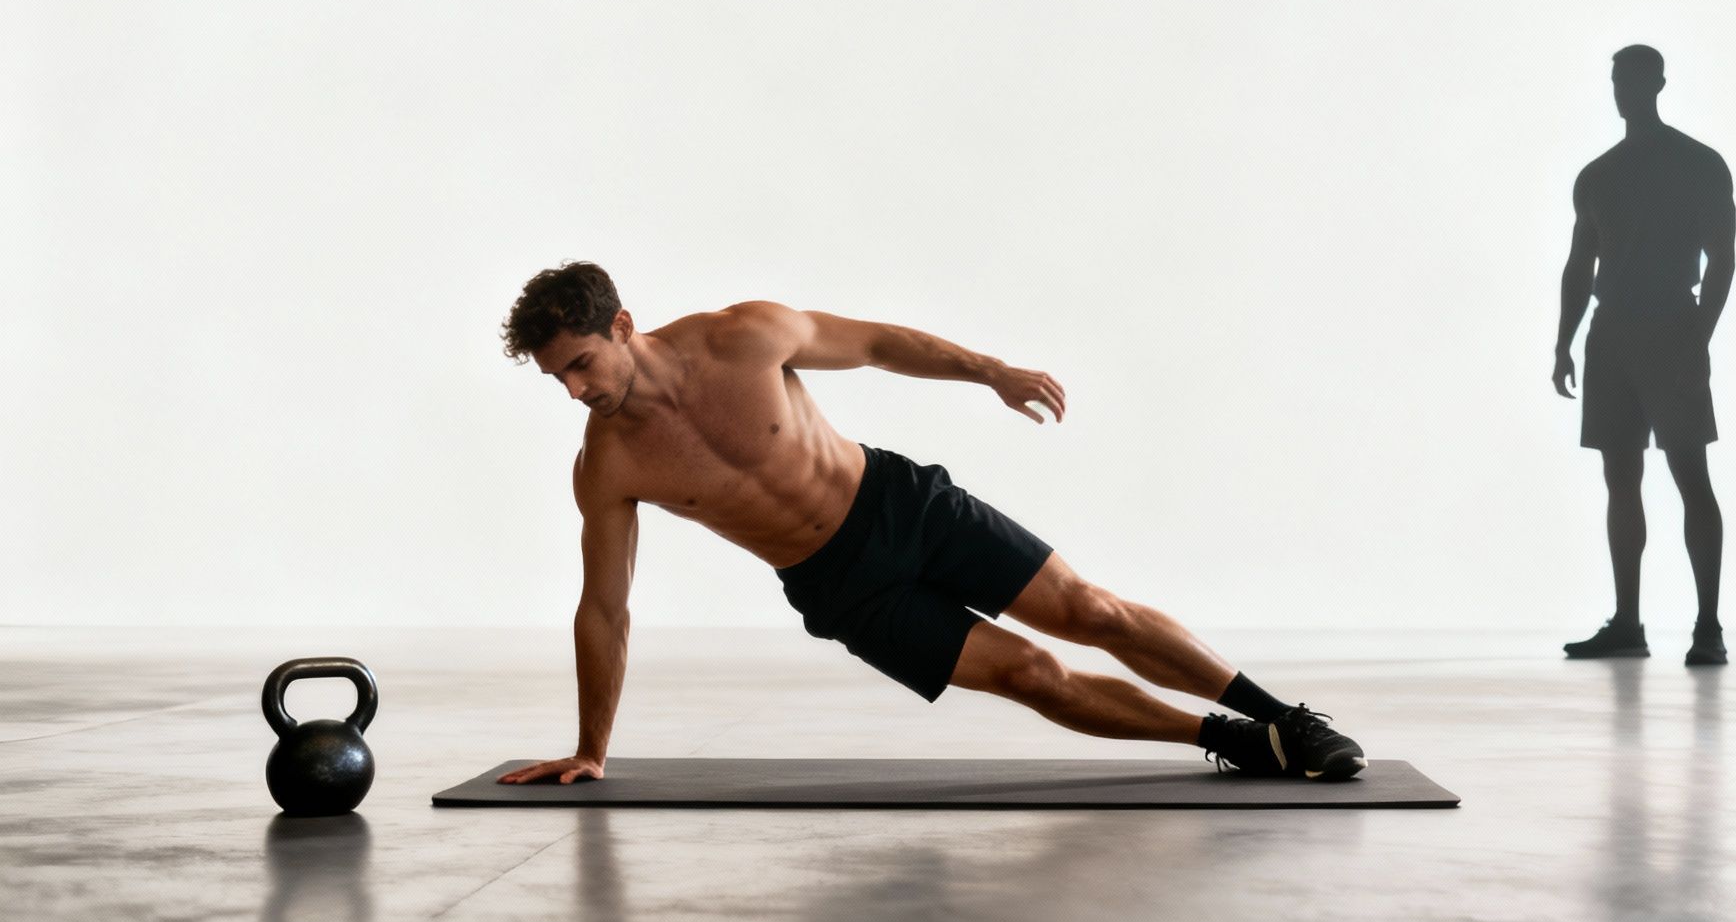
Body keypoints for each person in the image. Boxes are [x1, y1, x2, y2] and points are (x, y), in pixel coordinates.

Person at [493, 262, 1365, 786]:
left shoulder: (741, 337)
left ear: (622, 325)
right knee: (1031, 674)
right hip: (842, 590)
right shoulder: (607, 463)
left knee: (1090, 612)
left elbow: (874, 344)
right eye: (557, 380)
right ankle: (1234, 740)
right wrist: (590, 749)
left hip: (898, 504)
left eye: (580, 364)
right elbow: (603, 608)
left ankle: (1287, 717)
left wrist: (990, 371)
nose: (574, 390)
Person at [1553, 45, 1736, 666]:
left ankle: (1707, 625)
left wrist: (1698, 336)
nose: (1621, 89)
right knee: (1620, 478)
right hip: (1614, 336)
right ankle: (1628, 622)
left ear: (1657, 83)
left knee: (1690, 474)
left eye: (1630, 79)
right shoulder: (1598, 176)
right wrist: (1564, 342)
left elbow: (1723, 259)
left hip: (1670, 327)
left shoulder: (1698, 165)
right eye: (1615, 80)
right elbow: (1580, 265)